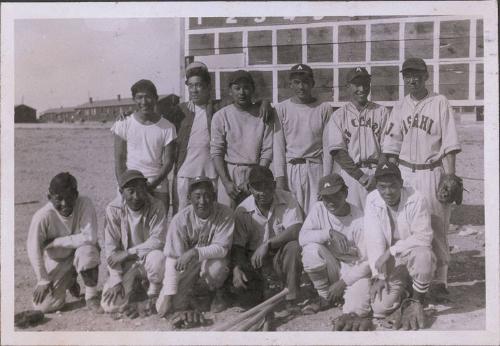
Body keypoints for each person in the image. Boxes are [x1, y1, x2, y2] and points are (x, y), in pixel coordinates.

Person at [382, 58, 461, 300]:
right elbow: (391, 147)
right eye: (407, 75)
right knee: (405, 226)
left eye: (416, 74)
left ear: (426, 76)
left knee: (437, 225)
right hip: (405, 173)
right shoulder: (399, 106)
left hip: (431, 170)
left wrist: (449, 175)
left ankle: (440, 281)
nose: (412, 79)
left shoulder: (440, 102)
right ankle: (412, 276)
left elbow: (449, 145)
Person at [365, 162, 435, 330]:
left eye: (393, 186)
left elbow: (424, 237)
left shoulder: (416, 198)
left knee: (424, 255)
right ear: (376, 186)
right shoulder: (372, 199)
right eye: (382, 187)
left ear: (401, 184)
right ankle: (406, 291)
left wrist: (391, 251)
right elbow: (374, 239)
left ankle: (416, 300)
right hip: (392, 263)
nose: (387, 192)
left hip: (412, 255)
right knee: (380, 308)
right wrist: (378, 276)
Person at [156, 176, 234, 316]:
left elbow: (222, 249)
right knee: (171, 305)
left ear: (214, 196)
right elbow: (173, 260)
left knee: (217, 267)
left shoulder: (225, 214)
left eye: (207, 196)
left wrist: (194, 252)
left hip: (210, 262)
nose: (202, 201)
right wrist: (168, 297)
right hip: (188, 266)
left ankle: (212, 293)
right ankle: (191, 296)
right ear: (189, 198)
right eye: (197, 196)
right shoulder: (180, 219)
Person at [232, 166, 304, 316]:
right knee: (248, 301)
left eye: (267, 186)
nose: (263, 192)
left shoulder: (287, 198)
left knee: (294, 247)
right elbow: (238, 246)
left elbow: (296, 228)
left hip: (278, 253)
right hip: (255, 260)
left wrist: (268, 244)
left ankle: (291, 298)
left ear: (274, 185)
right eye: (258, 187)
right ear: (250, 188)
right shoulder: (242, 209)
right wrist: (237, 269)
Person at [299, 174, 371, 318]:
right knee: (311, 250)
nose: (331, 202)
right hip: (331, 267)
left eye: (335, 195)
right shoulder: (319, 209)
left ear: (345, 193)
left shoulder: (360, 218)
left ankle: (340, 296)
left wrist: (343, 283)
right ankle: (325, 297)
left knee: (357, 309)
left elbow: (367, 263)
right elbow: (302, 238)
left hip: (352, 271)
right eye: (326, 197)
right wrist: (329, 233)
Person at [27, 172, 101, 313]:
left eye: (69, 198)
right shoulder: (42, 216)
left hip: (79, 253)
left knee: (88, 250)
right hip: (58, 260)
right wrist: (43, 279)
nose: (65, 203)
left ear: (76, 194)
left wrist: (56, 242)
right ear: (49, 197)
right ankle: (70, 280)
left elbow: (90, 237)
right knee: (43, 306)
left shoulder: (85, 203)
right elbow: (33, 249)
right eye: (59, 199)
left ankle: (91, 296)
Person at [100, 170, 166, 313]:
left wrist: (129, 252)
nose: (136, 196)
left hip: (147, 259)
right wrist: (116, 280)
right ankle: (137, 284)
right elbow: (111, 250)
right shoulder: (113, 209)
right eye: (131, 191)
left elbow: (158, 240)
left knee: (158, 257)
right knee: (110, 306)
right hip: (126, 265)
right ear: (121, 191)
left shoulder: (157, 206)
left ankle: (152, 293)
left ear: (146, 189)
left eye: (141, 190)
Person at [326, 67, 390, 211]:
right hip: (352, 176)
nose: (362, 89)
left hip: (377, 174)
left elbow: (387, 148)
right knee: (354, 219)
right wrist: (360, 176)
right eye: (357, 85)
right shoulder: (339, 115)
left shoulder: (381, 112)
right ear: (348, 86)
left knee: (379, 219)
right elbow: (338, 152)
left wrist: (377, 175)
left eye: (365, 84)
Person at [273, 63, 333, 214]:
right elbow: (278, 146)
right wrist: (280, 178)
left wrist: (326, 178)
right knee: (291, 215)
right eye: (297, 82)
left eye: (305, 82)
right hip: (291, 169)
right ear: (290, 84)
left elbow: (328, 147)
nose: (301, 87)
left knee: (316, 213)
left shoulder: (324, 108)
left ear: (312, 84)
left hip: (315, 169)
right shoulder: (282, 109)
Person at [111, 79, 177, 213]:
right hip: (130, 182)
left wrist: (151, 185)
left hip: (157, 184)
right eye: (139, 97)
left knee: (158, 227)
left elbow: (168, 162)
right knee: (128, 227)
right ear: (134, 100)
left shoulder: (168, 127)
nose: (144, 102)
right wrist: (123, 185)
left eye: (148, 97)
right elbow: (119, 159)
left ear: (155, 98)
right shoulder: (123, 123)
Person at [210, 70, 273, 209]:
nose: (242, 92)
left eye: (246, 88)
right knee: (227, 218)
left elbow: (267, 151)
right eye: (237, 88)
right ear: (230, 91)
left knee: (254, 218)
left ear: (253, 89)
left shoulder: (263, 114)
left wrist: (255, 179)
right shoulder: (221, 116)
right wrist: (226, 182)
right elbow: (216, 152)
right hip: (230, 172)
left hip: (256, 171)